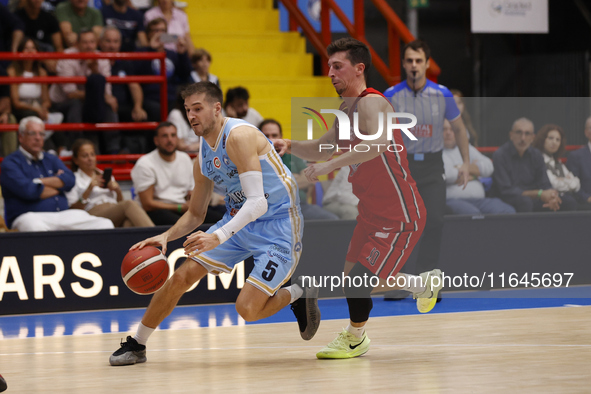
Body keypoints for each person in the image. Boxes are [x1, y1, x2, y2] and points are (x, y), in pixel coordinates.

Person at [109, 82, 319, 366]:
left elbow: (258, 203)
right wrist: (165, 237)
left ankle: (298, 292)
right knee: (181, 277)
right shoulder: (202, 158)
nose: (192, 116)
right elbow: (196, 214)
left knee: (247, 310)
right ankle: (138, 344)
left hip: (278, 225)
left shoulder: (239, 136)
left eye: (198, 108)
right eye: (187, 110)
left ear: (216, 108)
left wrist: (217, 236)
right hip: (237, 222)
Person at [274, 38, 440, 359]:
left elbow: (376, 143)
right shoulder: (345, 110)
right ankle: (422, 286)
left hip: (399, 213)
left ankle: (355, 337)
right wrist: (288, 144)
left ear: (359, 68)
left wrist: (330, 165)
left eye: (338, 66)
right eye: (329, 67)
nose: (330, 73)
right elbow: (322, 147)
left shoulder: (371, 103)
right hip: (371, 212)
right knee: (353, 279)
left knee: (358, 282)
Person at [383, 39, 469, 287]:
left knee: (434, 221)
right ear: (403, 64)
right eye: (409, 60)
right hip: (402, 166)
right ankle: (397, 282)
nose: (414, 65)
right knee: (400, 225)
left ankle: (426, 282)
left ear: (427, 64)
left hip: (432, 166)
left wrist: (465, 162)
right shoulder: (391, 95)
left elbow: (460, 129)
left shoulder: (442, 94)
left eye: (419, 61)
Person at [0, 116, 114, 231]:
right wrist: (59, 185)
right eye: (32, 133)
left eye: (41, 134)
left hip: (64, 214)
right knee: (34, 227)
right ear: (21, 137)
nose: (38, 138)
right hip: (30, 215)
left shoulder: (51, 158)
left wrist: (38, 182)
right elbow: (28, 191)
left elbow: (70, 180)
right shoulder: (10, 162)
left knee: (105, 224)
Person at [131, 121, 223, 225]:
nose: (170, 140)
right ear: (156, 140)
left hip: (183, 208)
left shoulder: (184, 158)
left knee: (220, 218)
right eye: (165, 136)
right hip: (158, 211)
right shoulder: (145, 163)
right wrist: (179, 207)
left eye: (173, 135)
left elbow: (191, 190)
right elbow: (147, 204)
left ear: (177, 139)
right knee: (185, 225)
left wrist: (193, 197)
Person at [49, 28, 120, 154]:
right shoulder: (67, 57)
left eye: (92, 42)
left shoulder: (102, 58)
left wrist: (95, 70)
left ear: (97, 43)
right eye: (85, 42)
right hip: (62, 103)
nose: (89, 46)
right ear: (77, 45)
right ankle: (76, 148)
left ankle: (113, 150)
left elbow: (107, 90)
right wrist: (101, 95)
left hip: (89, 102)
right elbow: (70, 93)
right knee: (76, 104)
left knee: (109, 106)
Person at [259, 118, 338, 220]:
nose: (271, 139)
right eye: (266, 136)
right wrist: (294, 178)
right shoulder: (254, 158)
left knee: (331, 220)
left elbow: (309, 179)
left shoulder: (293, 154)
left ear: (281, 136)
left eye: (274, 135)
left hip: (300, 206)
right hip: (269, 209)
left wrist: (278, 183)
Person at [66, 138, 155, 227]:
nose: (90, 159)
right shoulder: (74, 178)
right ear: (76, 160)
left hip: (114, 210)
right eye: (85, 156)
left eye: (92, 154)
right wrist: (89, 190)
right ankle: (157, 238)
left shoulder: (105, 175)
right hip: (93, 214)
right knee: (129, 204)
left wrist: (117, 191)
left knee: (128, 223)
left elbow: (120, 202)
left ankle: (153, 239)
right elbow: (73, 210)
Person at [443, 119, 515, 215]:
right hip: (452, 200)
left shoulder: (466, 148)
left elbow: (489, 167)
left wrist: (460, 168)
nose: (448, 133)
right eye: (444, 129)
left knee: (508, 211)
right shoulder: (435, 152)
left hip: (480, 200)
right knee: (474, 216)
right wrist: (475, 172)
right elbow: (447, 175)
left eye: (452, 129)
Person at [492, 118, 563, 212]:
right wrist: (538, 193)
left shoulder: (536, 155)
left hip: (534, 198)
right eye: (519, 132)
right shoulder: (500, 155)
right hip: (508, 199)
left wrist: (552, 197)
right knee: (525, 202)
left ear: (533, 138)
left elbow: (545, 183)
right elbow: (507, 191)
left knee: (567, 202)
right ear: (511, 135)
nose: (523, 138)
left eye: (527, 134)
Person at [98, 25, 149, 153]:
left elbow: (134, 85)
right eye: (108, 41)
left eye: (115, 41)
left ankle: (139, 153)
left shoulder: (125, 62)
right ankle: (113, 152)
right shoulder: (95, 61)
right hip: (102, 106)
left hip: (123, 105)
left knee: (146, 114)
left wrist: (138, 106)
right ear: (100, 42)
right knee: (110, 113)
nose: (112, 45)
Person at [135, 18, 192, 125]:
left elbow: (185, 75)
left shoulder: (172, 54)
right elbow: (139, 73)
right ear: (148, 34)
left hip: (170, 97)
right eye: (155, 31)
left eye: (162, 31)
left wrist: (182, 54)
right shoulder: (141, 52)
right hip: (150, 98)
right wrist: (151, 50)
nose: (159, 34)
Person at [532, 124, 580, 211]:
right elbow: (553, 184)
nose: (554, 142)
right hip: (544, 200)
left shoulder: (559, 164)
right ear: (543, 139)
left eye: (558, 140)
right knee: (570, 202)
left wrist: (562, 180)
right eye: (550, 138)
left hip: (562, 198)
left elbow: (577, 184)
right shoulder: (538, 160)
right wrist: (567, 180)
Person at [566, 116, 591, 210]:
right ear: (586, 132)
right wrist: (587, 198)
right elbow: (572, 186)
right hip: (586, 205)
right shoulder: (576, 156)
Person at [0, 65, 18, 157]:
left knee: (10, 119)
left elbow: (6, 100)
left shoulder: (1, 72)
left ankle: (10, 162)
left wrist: (5, 113)